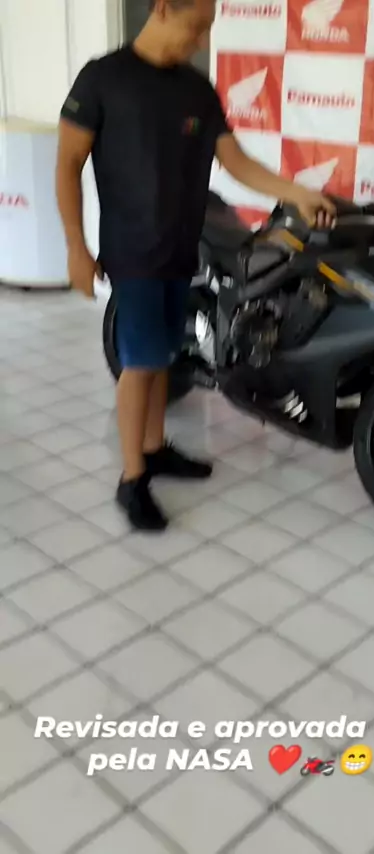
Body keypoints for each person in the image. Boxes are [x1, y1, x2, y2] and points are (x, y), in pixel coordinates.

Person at [56, 0, 336, 532]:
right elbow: (67, 163)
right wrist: (75, 246)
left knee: (164, 354)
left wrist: (295, 192)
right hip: (133, 253)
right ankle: (132, 479)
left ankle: (154, 448)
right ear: (163, 9)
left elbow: (236, 161)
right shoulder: (102, 79)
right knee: (140, 363)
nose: (203, 41)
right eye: (197, 27)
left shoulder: (196, 89)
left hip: (182, 249)